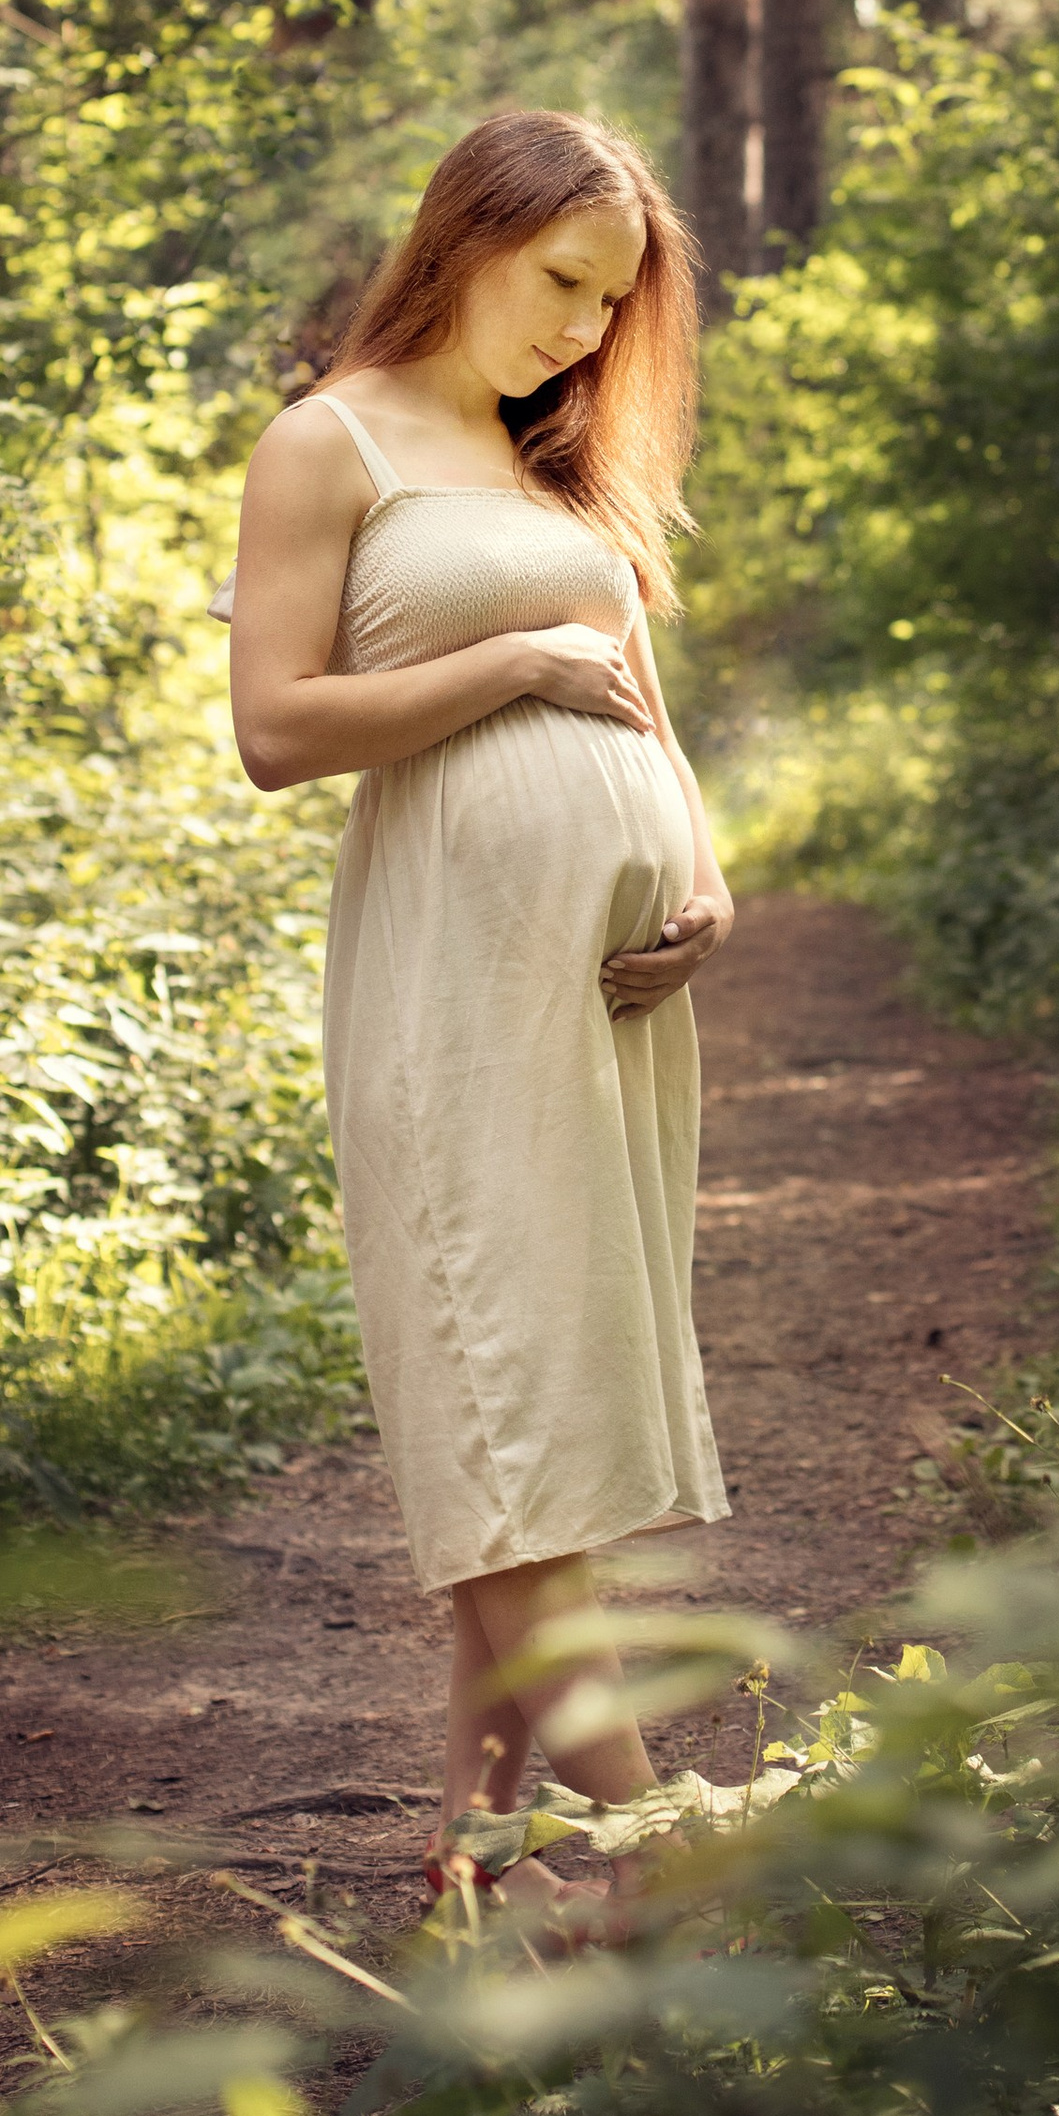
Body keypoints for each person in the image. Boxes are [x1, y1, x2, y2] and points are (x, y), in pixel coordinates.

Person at [221, 111, 733, 1917]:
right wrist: (509, 661)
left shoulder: (556, 463)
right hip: (455, 997)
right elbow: (275, 729)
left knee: (541, 1431)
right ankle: (668, 1858)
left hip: (609, 1011)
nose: (585, 330)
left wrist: (705, 884)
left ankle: (471, 1883)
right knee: (499, 1414)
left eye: (612, 304)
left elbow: (645, 714)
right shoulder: (331, 443)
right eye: (563, 283)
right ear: (467, 239)